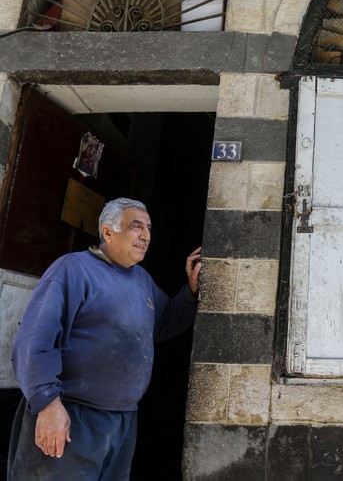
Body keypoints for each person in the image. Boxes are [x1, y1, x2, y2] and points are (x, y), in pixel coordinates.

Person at [8, 198, 202, 480]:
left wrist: (191, 292)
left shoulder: (142, 281)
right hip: (70, 415)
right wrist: (48, 405)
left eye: (148, 228)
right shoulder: (73, 270)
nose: (145, 235)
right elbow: (34, 341)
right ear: (108, 232)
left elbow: (166, 322)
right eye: (136, 227)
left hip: (121, 421)